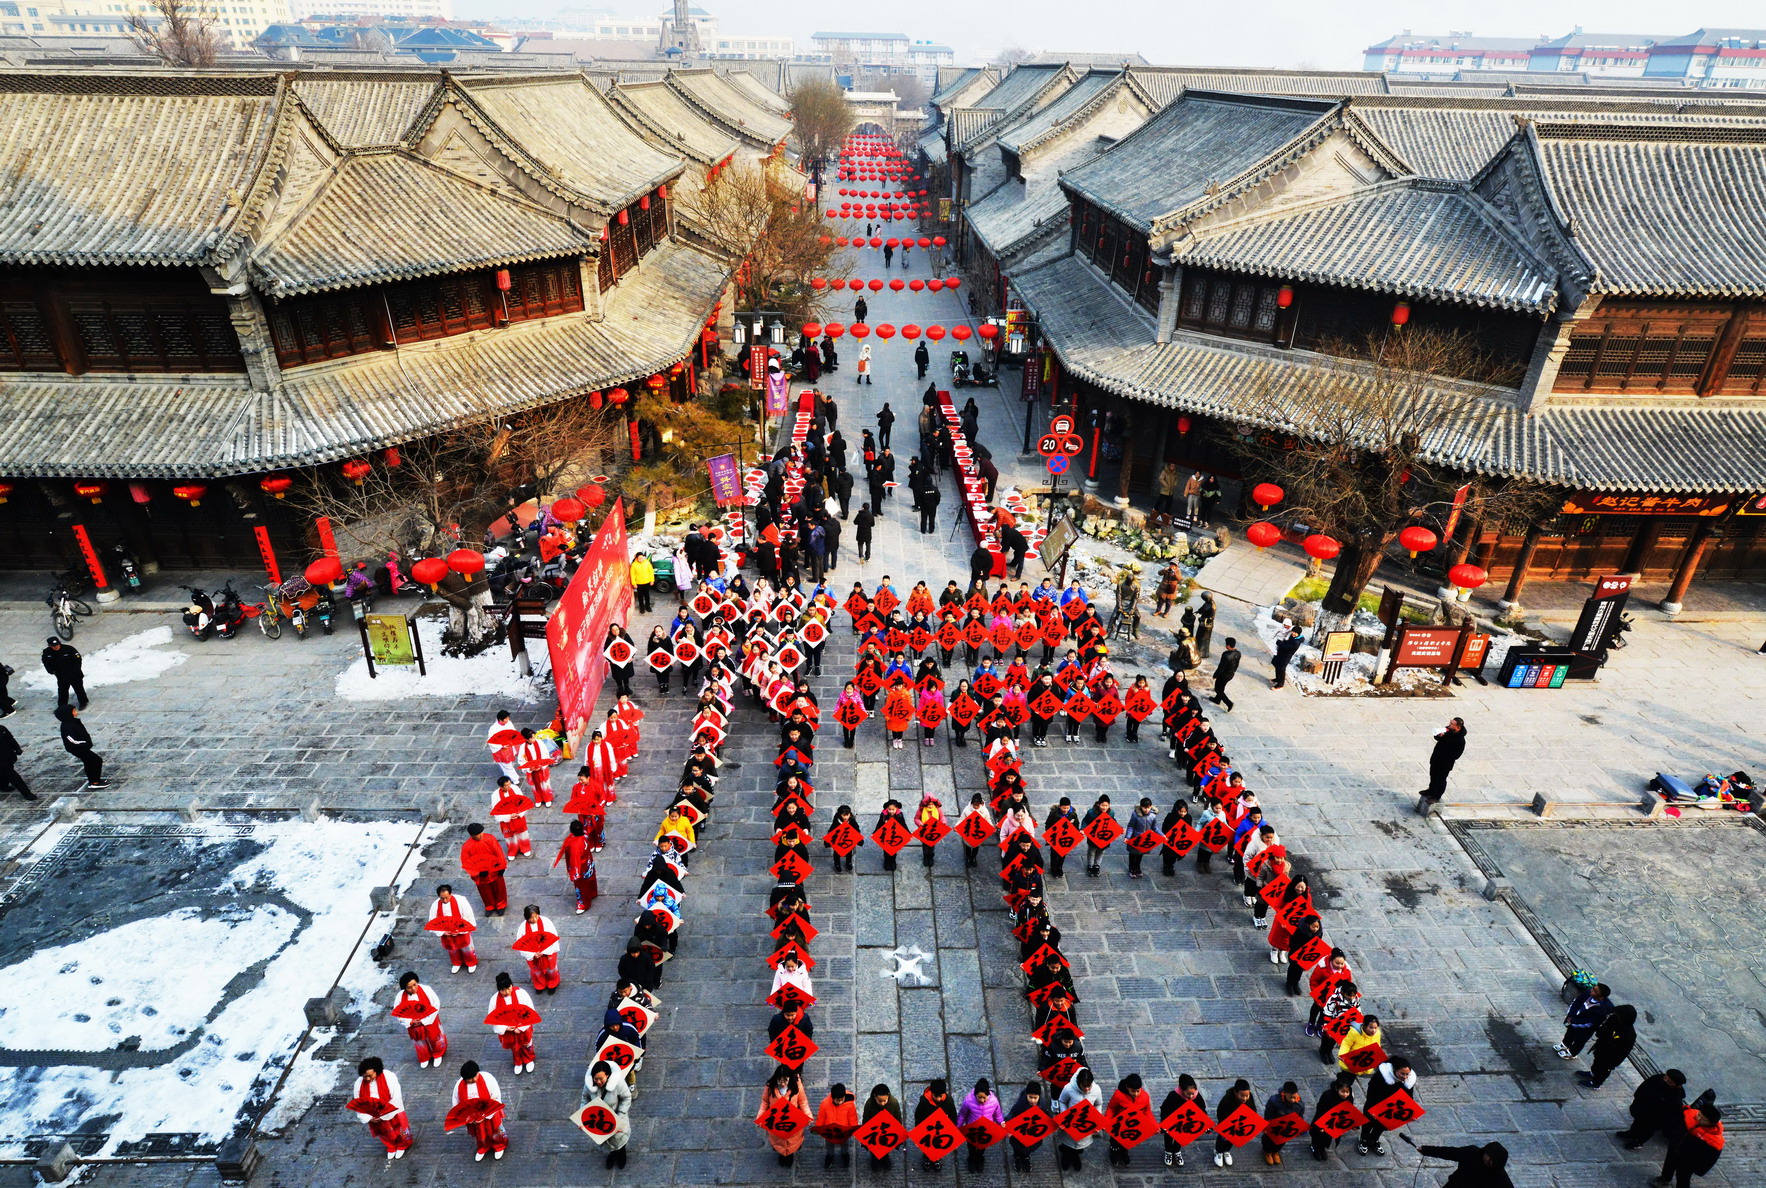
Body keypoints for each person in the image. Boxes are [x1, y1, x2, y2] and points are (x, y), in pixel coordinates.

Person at [350, 1056, 413, 1160]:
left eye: (370, 1076)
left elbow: (396, 1096)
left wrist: (384, 1113)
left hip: (391, 1112)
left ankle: (402, 1145)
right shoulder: (359, 1083)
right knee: (383, 1133)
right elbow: (359, 1102)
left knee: (399, 1129)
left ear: (377, 1071)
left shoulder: (389, 1077)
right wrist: (369, 1117)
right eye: (365, 1076)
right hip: (374, 1115)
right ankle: (391, 1146)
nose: (368, 1079)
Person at [1359, 1056, 1417, 1157]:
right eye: (1402, 1074)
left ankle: (1374, 1140)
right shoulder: (1382, 1076)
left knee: (1382, 1125)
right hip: (1375, 1104)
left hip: (1390, 1109)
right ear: (1395, 1070)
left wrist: (1411, 1113)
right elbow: (1372, 1092)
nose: (1405, 1077)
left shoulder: (1408, 1081)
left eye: (1407, 1074)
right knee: (1368, 1123)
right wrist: (1373, 1110)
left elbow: (1408, 1097)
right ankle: (1363, 1140)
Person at [1656, 1104, 1724, 1188]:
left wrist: (1700, 1170)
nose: (1698, 1118)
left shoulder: (1714, 1140)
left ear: (1711, 1123)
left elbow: (1710, 1158)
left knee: (1682, 1177)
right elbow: (1676, 1122)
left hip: (1688, 1161)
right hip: (1675, 1148)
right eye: (1699, 1115)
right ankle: (1664, 1178)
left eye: (1703, 1119)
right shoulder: (1690, 1114)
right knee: (1668, 1165)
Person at [452, 1060, 507, 1162]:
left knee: (495, 1130)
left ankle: (499, 1145)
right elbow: (457, 1103)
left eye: (474, 1077)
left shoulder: (488, 1079)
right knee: (479, 1134)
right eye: (469, 1079)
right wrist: (464, 1117)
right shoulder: (459, 1086)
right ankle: (483, 1147)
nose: (472, 1080)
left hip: (490, 1113)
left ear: (478, 1072)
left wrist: (486, 1113)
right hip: (473, 1118)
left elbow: (495, 1095)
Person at [1618, 1069, 1688, 1148]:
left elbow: (1668, 1116)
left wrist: (1657, 1124)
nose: (1665, 1081)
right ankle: (1631, 1133)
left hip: (1653, 1119)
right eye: (1665, 1078)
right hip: (1641, 1110)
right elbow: (1642, 1088)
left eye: (1669, 1082)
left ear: (1677, 1085)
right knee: (1636, 1123)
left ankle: (1638, 1142)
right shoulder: (1657, 1079)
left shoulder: (1675, 1099)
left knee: (1646, 1131)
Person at [581, 1060, 632, 1168]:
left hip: (617, 1116)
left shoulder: (618, 1083)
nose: (598, 1082)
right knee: (606, 1141)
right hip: (599, 1119)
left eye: (601, 1078)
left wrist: (620, 1117)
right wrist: (582, 1117)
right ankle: (612, 1154)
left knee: (619, 1138)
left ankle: (622, 1153)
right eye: (596, 1079)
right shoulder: (589, 1084)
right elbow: (585, 1098)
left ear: (608, 1076)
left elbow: (626, 1098)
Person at [486, 971, 537, 1074]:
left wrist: (521, 1027)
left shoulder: (521, 993)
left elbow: (530, 1011)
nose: (507, 992)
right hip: (508, 1030)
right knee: (514, 1047)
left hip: (522, 1027)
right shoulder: (494, 1000)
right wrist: (505, 1028)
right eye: (503, 990)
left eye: (508, 988)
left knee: (526, 1044)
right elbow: (493, 1019)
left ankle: (529, 1059)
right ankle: (518, 1061)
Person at [394, 971, 447, 1065]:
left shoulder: (427, 989)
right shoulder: (400, 997)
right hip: (413, 1025)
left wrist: (423, 1021)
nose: (413, 988)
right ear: (404, 988)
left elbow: (436, 1004)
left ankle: (438, 1053)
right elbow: (398, 1014)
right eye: (409, 987)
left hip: (430, 1020)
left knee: (435, 1037)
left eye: (415, 984)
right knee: (419, 1041)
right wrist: (410, 1022)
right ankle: (424, 1056)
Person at [1055, 1068, 1103, 1170]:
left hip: (1085, 1122)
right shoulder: (1068, 1088)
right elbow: (1062, 1101)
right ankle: (1066, 1156)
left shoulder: (1097, 1090)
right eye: (1084, 1086)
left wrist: (1097, 1120)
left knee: (1080, 1143)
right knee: (1068, 1142)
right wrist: (1064, 1117)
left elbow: (1098, 1103)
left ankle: (1075, 1155)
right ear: (1078, 1082)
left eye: (1089, 1086)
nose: (1086, 1089)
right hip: (1071, 1121)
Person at [1581, 1004, 1637, 1088]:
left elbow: (1624, 1051)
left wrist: (1614, 1063)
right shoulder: (1613, 1019)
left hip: (1611, 1056)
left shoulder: (1629, 1035)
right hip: (1601, 1047)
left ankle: (1596, 1083)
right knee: (1597, 1061)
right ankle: (1593, 1073)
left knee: (1604, 1069)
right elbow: (1604, 1027)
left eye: (1618, 1015)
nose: (1616, 1015)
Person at [459, 823, 509, 915]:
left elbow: (498, 852)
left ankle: (501, 904)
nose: (481, 835)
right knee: (485, 891)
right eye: (478, 834)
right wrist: (477, 873)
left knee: (499, 887)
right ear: (472, 835)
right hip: (481, 873)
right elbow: (466, 863)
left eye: (481, 832)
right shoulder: (467, 847)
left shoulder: (490, 838)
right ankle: (489, 905)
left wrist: (502, 866)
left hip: (494, 869)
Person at [957, 1078, 1005, 1171]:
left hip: (986, 1131)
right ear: (975, 1095)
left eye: (984, 1097)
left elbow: (998, 1115)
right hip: (972, 1130)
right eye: (980, 1097)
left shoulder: (994, 1101)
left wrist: (1001, 1124)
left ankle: (979, 1159)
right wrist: (957, 1127)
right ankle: (971, 1160)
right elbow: (962, 1115)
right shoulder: (968, 1100)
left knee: (982, 1148)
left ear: (988, 1094)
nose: (982, 1100)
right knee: (971, 1147)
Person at [428, 883, 478, 972]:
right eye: (442, 898)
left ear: (451, 894)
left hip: (461, 929)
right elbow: (433, 921)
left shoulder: (461, 901)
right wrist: (442, 932)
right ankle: (456, 962)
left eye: (447, 897)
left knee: (467, 947)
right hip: (447, 933)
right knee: (452, 949)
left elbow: (468, 915)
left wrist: (459, 930)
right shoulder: (435, 905)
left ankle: (471, 962)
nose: (445, 900)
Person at [1557, 982, 1613, 1059]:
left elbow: (1589, 1022)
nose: (1592, 990)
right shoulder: (1587, 993)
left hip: (1585, 1029)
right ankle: (1565, 1044)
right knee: (1569, 1033)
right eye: (1593, 988)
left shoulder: (1602, 1010)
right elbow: (1576, 1002)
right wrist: (1571, 1015)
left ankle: (1571, 1053)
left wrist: (1574, 1022)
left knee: (1579, 1041)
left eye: (1595, 991)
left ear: (1601, 998)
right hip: (1574, 1018)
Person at [55, 705, 106, 788]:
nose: (76, 713)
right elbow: (72, 740)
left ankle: (93, 780)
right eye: (74, 711)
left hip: (81, 748)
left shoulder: (72, 722)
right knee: (96, 760)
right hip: (78, 749)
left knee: (88, 762)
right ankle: (95, 782)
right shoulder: (67, 726)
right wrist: (85, 743)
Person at [1422, 717, 1468, 806]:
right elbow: (1437, 737)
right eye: (1450, 723)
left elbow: (1457, 755)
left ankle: (1436, 796)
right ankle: (1431, 790)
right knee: (1433, 775)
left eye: (1452, 724)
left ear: (1458, 727)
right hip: (1436, 758)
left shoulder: (1460, 740)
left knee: (1441, 779)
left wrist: (1445, 754)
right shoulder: (1447, 730)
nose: (1449, 725)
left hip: (1445, 764)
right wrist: (1439, 736)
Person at [1006, 1080, 1047, 1171]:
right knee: (1018, 1148)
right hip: (1020, 1134)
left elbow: (1047, 1116)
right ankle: (1017, 1158)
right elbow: (1012, 1113)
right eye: (1030, 1097)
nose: (1033, 1100)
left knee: (1028, 1149)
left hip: (1033, 1133)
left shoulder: (1042, 1104)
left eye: (1035, 1098)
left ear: (1039, 1097)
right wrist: (1007, 1124)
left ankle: (1026, 1158)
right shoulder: (1020, 1104)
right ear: (1026, 1095)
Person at [1262, 1081, 1304, 1166]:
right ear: (1284, 1093)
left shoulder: (1299, 1104)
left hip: (1287, 1127)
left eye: (1294, 1097)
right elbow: (1268, 1115)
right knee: (1269, 1140)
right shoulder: (1274, 1101)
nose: (1292, 1100)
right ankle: (1268, 1152)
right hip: (1275, 1126)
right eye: (1290, 1097)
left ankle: (1275, 1151)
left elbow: (1300, 1116)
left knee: (1282, 1141)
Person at [861, 1084, 902, 1171]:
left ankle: (885, 1157)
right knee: (875, 1149)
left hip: (887, 1131)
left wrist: (899, 1134)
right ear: (875, 1097)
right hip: (874, 1131)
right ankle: (875, 1159)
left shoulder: (893, 1102)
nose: (883, 1103)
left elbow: (898, 1118)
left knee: (886, 1147)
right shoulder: (869, 1104)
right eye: (880, 1101)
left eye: (885, 1100)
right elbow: (865, 1121)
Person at [816, 1083, 857, 1168]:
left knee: (845, 1144)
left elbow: (853, 1118)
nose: (841, 1101)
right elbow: (821, 1117)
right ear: (833, 1098)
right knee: (829, 1145)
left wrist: (853, 1129)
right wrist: (819, 1128)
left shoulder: (850, 1104)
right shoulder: (825, 1104)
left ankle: (844, 1154)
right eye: (838, 1100)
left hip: (843, 1132)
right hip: (830, 1132)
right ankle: (830, 1155)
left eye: (842, 1099)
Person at [41, 638, 88, 709]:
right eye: (54, 646)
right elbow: (45, 662)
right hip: (61, 675)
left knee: (79, 689)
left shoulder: (69, 649)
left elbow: (78, 659)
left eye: (57, 645)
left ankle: (83, 702)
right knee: (62, 691)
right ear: (49, 646)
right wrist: (50, 670)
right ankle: (62, 705)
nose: (56, 647)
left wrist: (76, 669)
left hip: (74, 674)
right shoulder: (47, 652)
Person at [0, 723, 31, 801]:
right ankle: (26, 793)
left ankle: (3, 785)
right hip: (2, 761)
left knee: (5, 772)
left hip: (8, 756)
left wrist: (17, 748)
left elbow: (10, 739)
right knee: (12, 775)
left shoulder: (1, 728)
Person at [1211, 637, 1241, 712]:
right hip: (1230, 674)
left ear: (1228, 646)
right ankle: (1217, 699)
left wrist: (1215, 675)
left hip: (1223, 675)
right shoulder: (1238, 653)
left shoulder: (1226, 655)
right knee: (1222, 687)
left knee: (1218, 689)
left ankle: (1229, 703)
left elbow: (1221, 667)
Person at [1272, 618, 1304, 689]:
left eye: (1295, 633)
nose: (1293, 634)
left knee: (1281, 669)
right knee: (1277, 665)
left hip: (1286, 656)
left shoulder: (1296, 642)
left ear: (1298, 634)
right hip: (1281, 653)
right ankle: (1277, 679)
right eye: (1293, 632)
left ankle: (1280, 684)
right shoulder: (1292, 637)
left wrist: (1279, 643)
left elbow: (1286, 647)